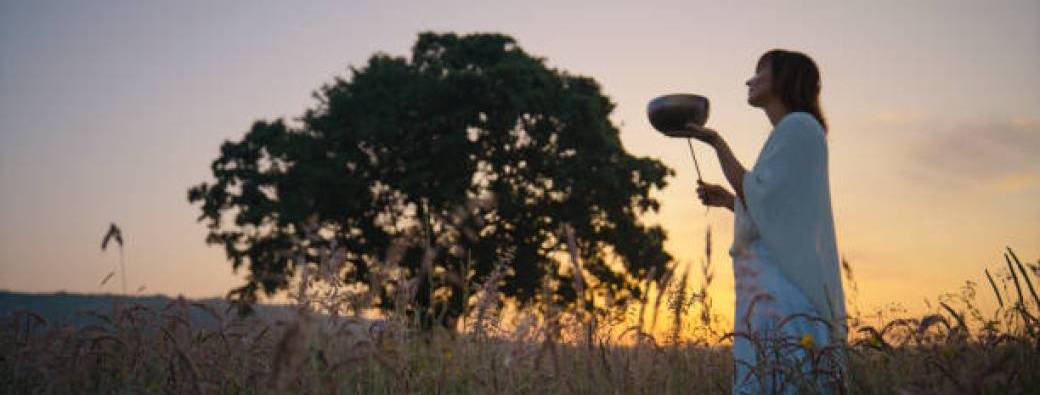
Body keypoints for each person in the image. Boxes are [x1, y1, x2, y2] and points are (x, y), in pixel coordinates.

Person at [661, 49, 848, 394]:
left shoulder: (799, 126)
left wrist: (716, 143)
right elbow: (778, 212)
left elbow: (763, 196)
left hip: (783, 294)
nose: (750, 80)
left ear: (783, 79)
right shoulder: (792, 131)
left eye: (760, 72)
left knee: (782, 379)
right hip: (770, 291)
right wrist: (729, 201)